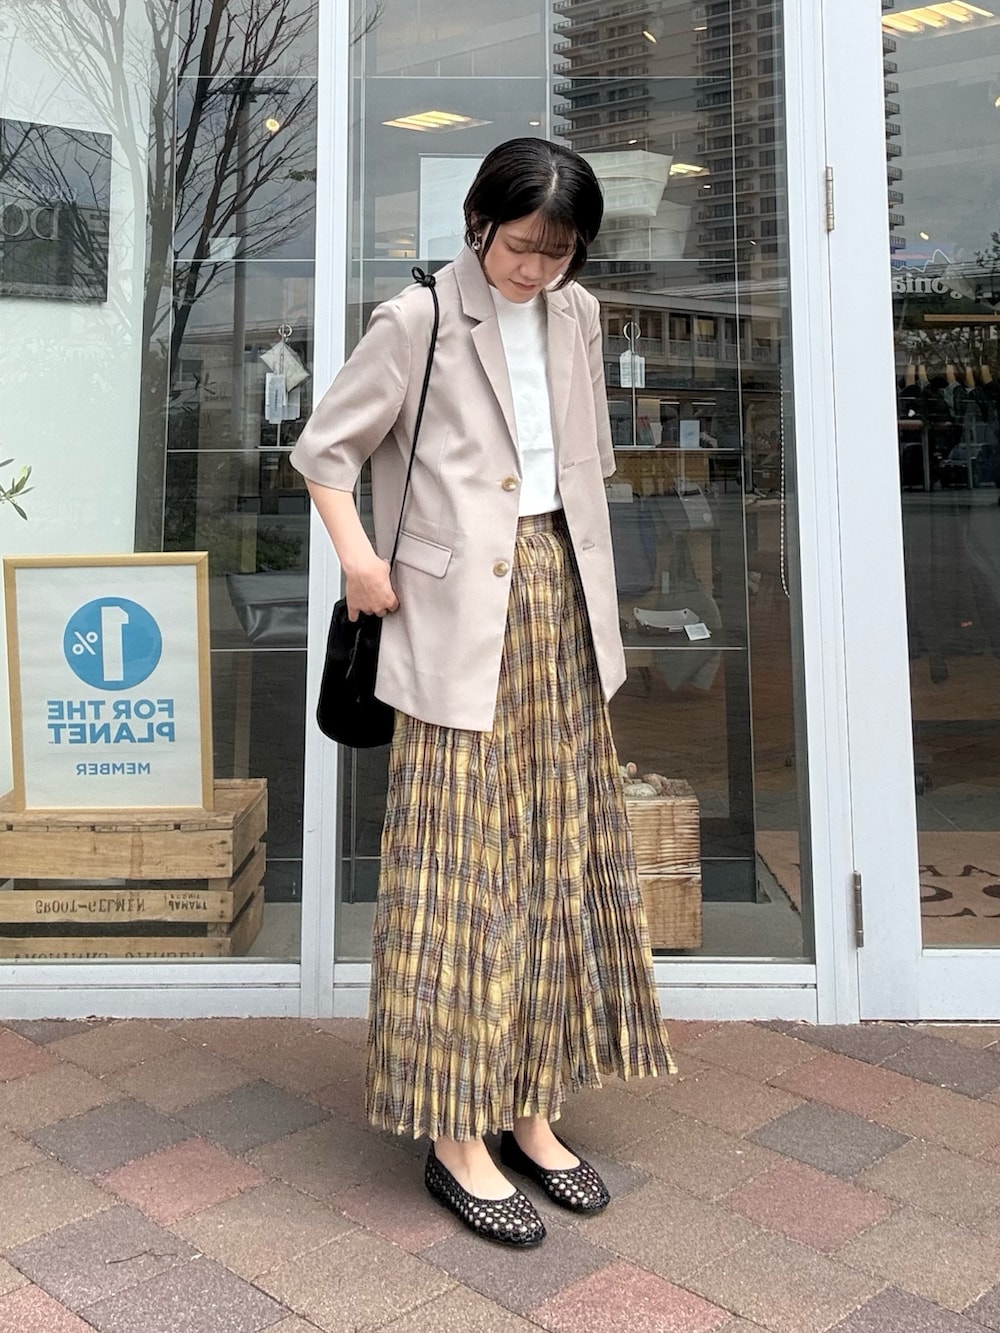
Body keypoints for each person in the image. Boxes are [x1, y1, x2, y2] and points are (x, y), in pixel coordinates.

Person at [290, 137, 675, 1248]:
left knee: (555, 853)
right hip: (451, 616)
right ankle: (456, 1132)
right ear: (478, 225)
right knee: (457, 869)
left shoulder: (578, 313)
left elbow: (582, 465)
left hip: (559, 600)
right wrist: (359, 562)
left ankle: (531, 1108)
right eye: (519, 248)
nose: (534, 270)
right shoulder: (416, 318)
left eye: (557, 253)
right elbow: (323, 453)